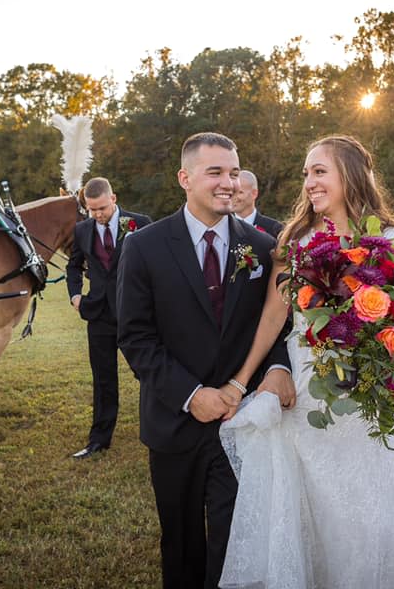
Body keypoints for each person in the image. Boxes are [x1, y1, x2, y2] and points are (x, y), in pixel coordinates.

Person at [218, 135, 394, 589]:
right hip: (308, 387)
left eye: (320, 171)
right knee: (310, 503)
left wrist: (378, 355)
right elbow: (275, 314)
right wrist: (242, 379)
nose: (310, 182)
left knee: (367, 509)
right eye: (306, 173)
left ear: (350, 175)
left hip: (366, 396)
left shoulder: (393, 240)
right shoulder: (296, 240)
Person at [116, 132, 294, 589]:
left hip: (241, 422)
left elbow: (275, 327)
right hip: (173, 423)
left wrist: (278, 368)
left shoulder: (261, 245)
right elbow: (135, 337)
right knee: (180, 542)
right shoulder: (144, 246)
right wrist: (190, 395)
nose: (228, 182)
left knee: (234, 543)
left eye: (233, 172)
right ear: (185, 177)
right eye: (215, 171)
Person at [66, 177, 151, 459]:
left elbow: (155, 265)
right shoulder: (81, 230)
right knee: (103, 379)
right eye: (92, 210)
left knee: (147, 372)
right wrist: (75, 295)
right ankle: (99, 439)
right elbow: (73, 266)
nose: (98, 215)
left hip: (134, 314)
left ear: (113, 198)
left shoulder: (140, 223)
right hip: (98, 314)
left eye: (102, 208)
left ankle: (161, 426)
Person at [231, 170, 283, 240]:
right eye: (232, 192)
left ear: (254, 194)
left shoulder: (274, 229)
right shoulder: (223, 227)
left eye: (240, 192)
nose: (234, 197)